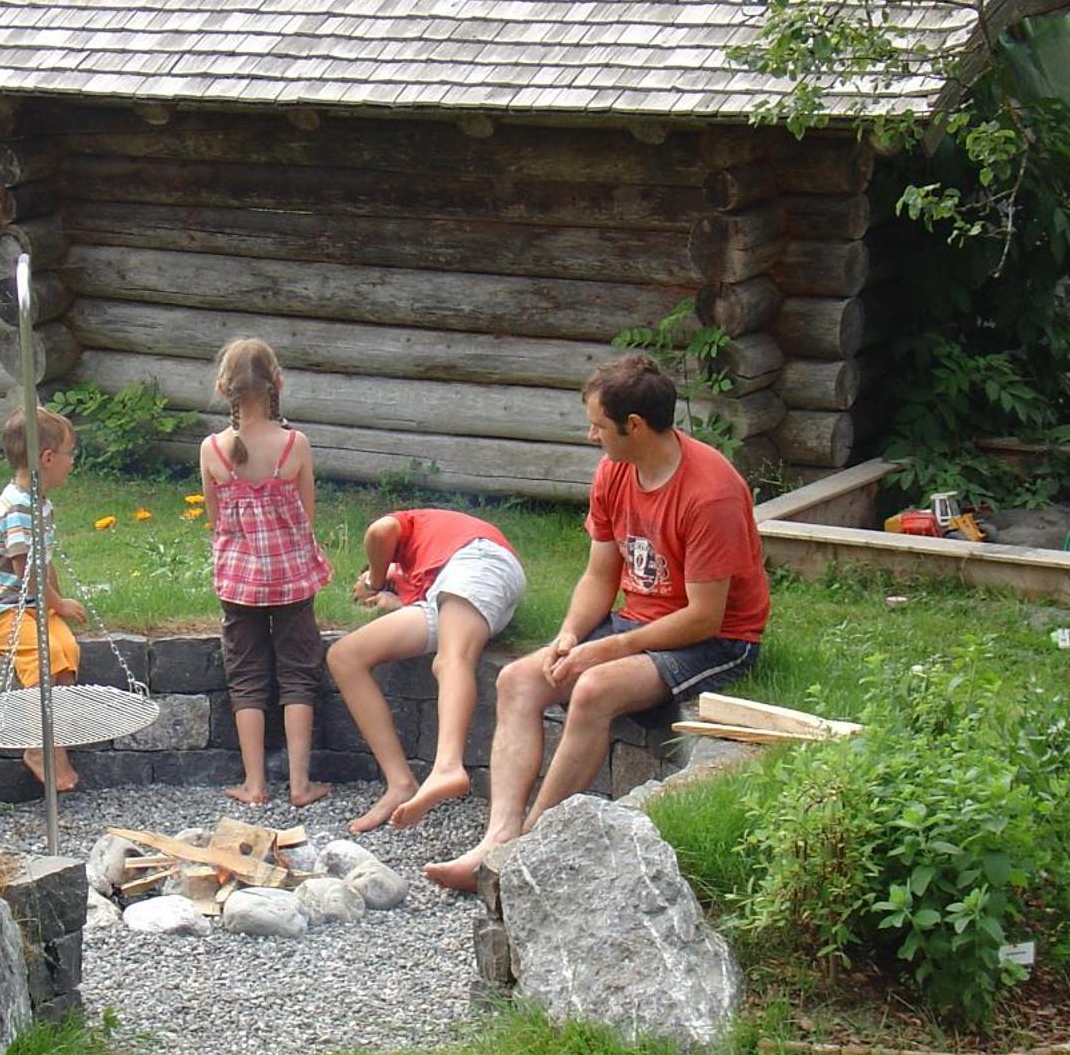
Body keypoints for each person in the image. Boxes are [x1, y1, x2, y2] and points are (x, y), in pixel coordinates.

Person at [424, 353, 769, 891]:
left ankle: (529, 846)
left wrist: (603, 650)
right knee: (517, 679)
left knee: (591, 688)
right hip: (638, 619)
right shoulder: (615, 470)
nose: (590, 435)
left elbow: (705, 617)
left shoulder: (711, 494)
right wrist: (570, 634)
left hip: (718, 640)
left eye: (598, 425)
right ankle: (498, 838)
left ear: (634, 426)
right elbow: (599, 572)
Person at [329, 509, 526, 834]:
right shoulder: (419, 576)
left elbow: (380, 531)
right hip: (454, 591)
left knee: (450, 659)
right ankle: (399, 783)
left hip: (479, 558)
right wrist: (395, 598)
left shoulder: (414, 526)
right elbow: (424, 609)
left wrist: (373, 580)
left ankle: (448, 766)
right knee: (344, 657)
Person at [201, 338, 333, 808]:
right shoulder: (294, 444)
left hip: (239, 582)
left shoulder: (211, 449)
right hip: (291, 576)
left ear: (225, 389)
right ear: (278, 384)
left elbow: (216, 520)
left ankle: (254, 786)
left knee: (247, 676)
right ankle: (299, 785)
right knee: (299, 672)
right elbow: (307, 511)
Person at [0, 405, 89, 791]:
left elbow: (45, 563)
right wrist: (58, 604)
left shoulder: (38, 503)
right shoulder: (18, 509)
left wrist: (57, 601)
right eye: (71, 454)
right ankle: (38, 748)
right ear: (48, 458)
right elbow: (28, 577)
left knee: (67, 651)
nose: (73, 462)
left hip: (32, 605)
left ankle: (57, 745)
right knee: (45, 655)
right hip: (0, 612)